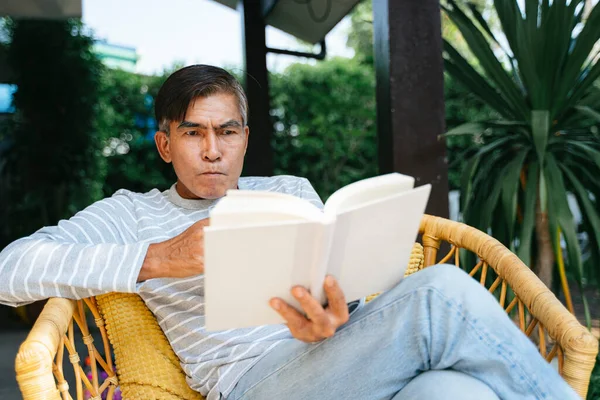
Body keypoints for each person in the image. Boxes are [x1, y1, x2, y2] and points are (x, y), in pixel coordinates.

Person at [0, 65, 579, 400]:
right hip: (253, 387)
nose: (212, 150)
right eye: (193, 133)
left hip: (337, 362)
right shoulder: (131, 213)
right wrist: (159, 258)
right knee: (441, 292)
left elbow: (339, 295)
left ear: (246, 139)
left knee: (455, 395)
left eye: (227, 132)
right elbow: (10, 270)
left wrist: (337, 313)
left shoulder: (290, 191)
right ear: (164, 143)